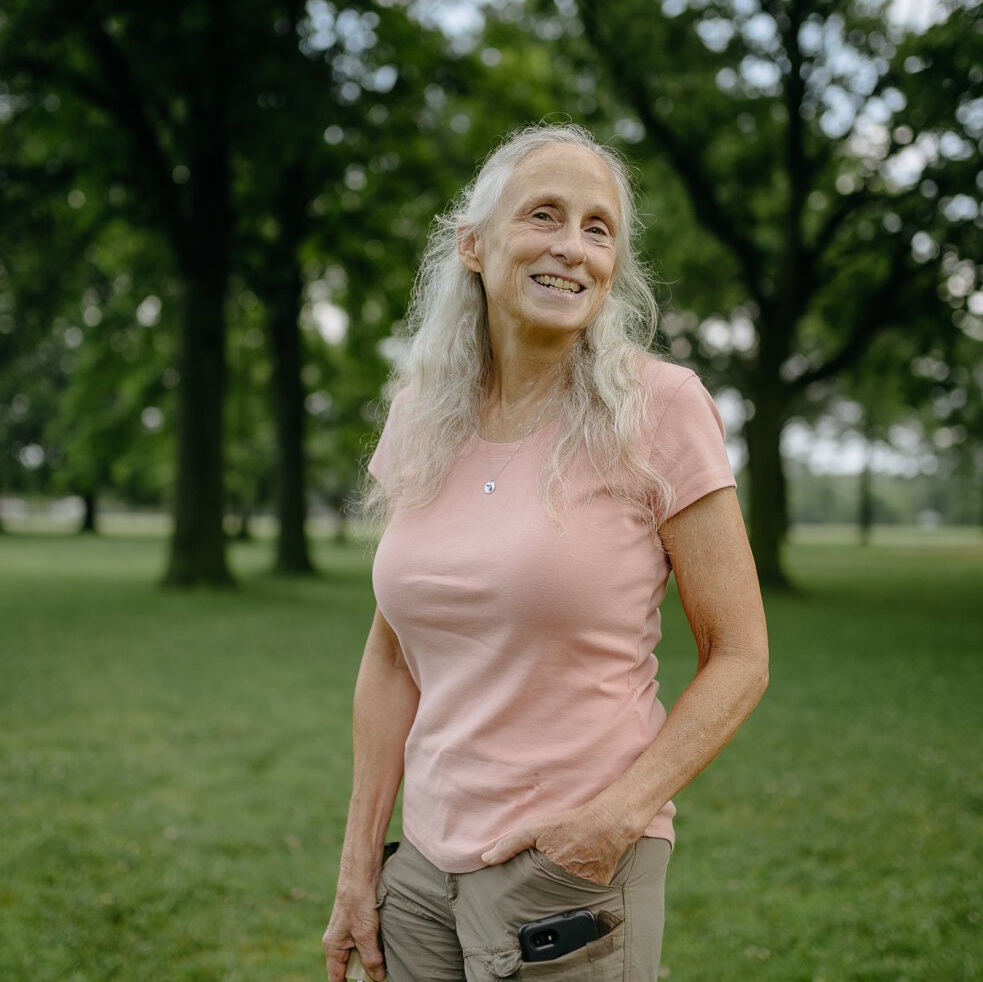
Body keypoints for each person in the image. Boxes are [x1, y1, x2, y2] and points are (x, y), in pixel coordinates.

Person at [323, 122, 770, 982]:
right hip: (418, 878)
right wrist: (360, 868)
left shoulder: (662, 409)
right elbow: (390, 659)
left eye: (598, 228)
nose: (572, 247)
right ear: (475, 247)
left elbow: (741, 655)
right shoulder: (421, 411)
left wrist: (614, 819)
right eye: (543, 216)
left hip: (566, 878)